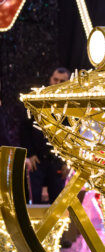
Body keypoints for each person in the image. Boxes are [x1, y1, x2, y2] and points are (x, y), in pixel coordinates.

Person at [22, 67, 71, 204]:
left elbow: (73, 135)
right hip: (37, 160)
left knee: (58, 204)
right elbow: (25, 129)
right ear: (50, 79)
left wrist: (68, 161)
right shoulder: (37, 100)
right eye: (55, 79)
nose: (57, 83)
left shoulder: (71, 105)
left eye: (62, 81)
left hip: (58, 161)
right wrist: (30, 153)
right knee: (33, 201)